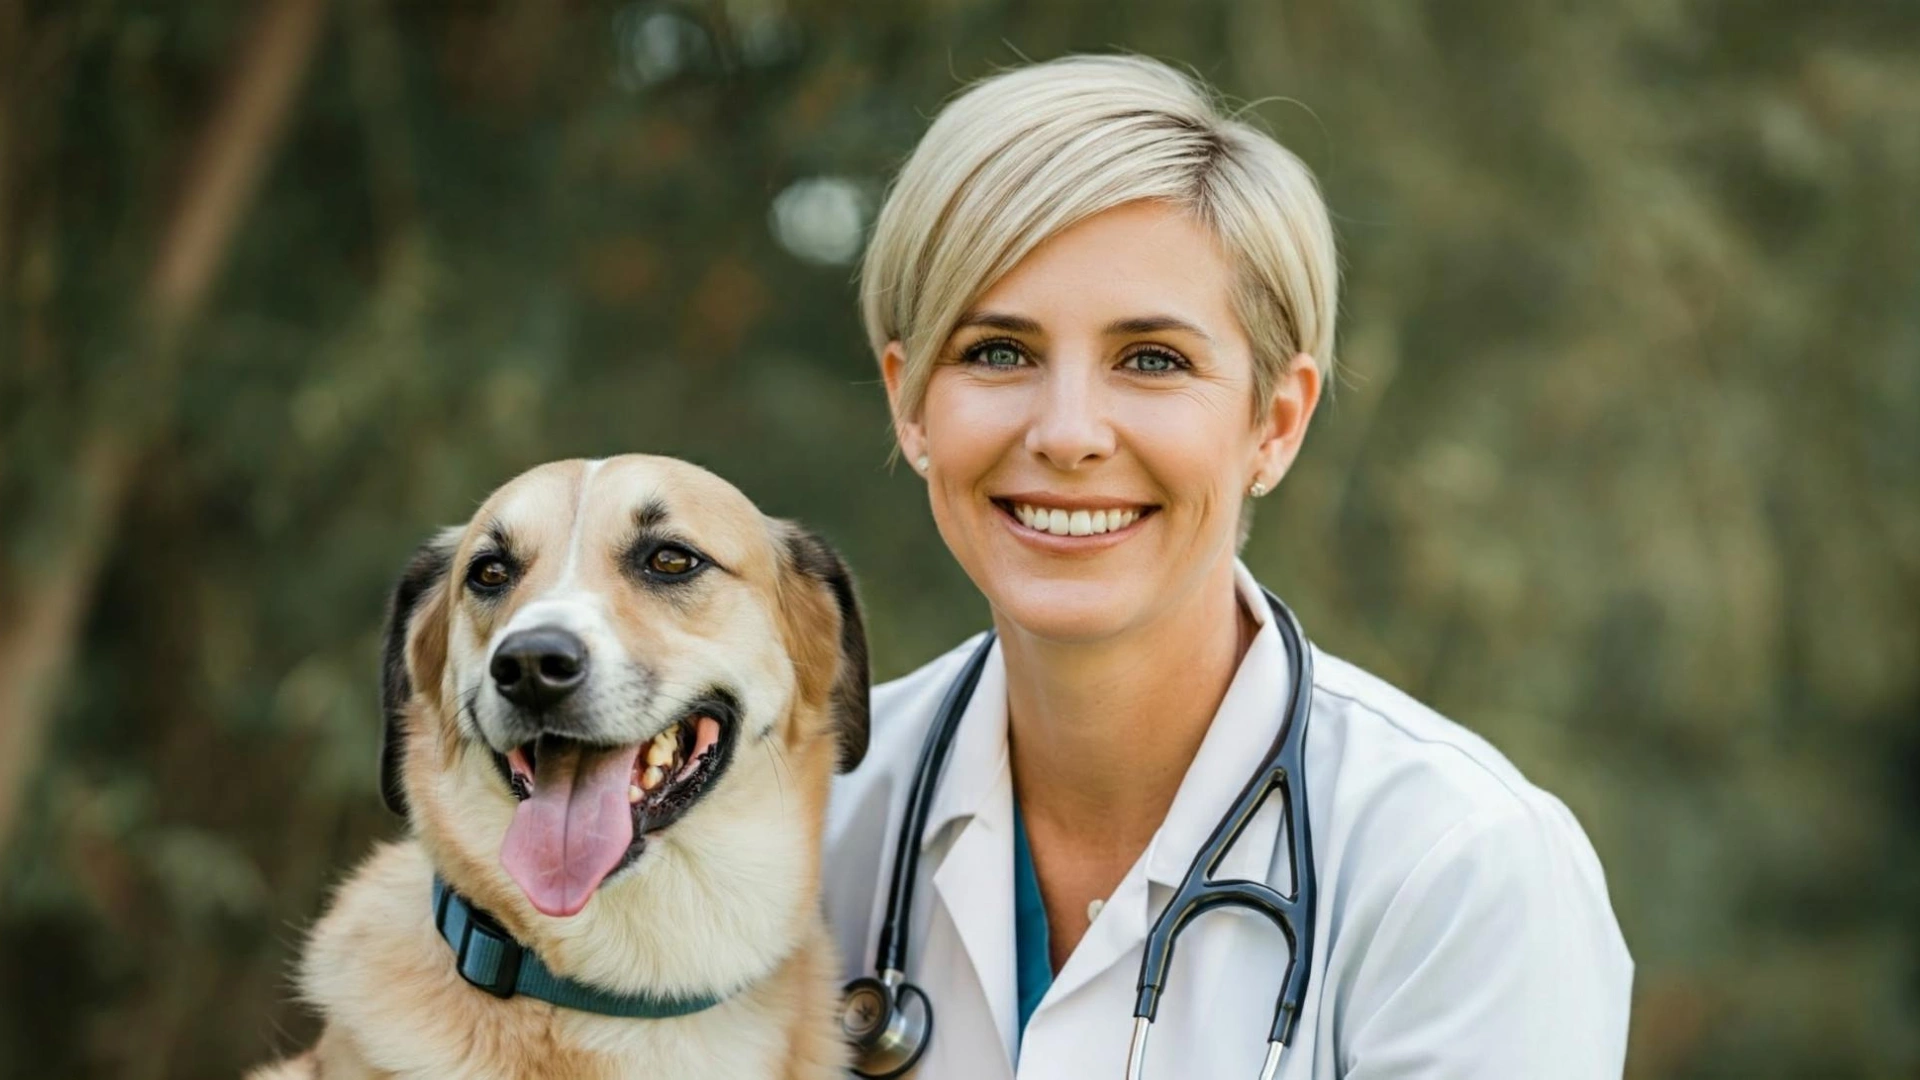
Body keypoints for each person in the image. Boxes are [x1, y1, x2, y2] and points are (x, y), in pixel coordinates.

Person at [822, 54, 1631, 1080]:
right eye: (997, 352)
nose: (1068, 433)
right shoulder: (806, 824)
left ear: (1274, 423)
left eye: (1152, 359)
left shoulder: (1459, 869)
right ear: (909, 403)